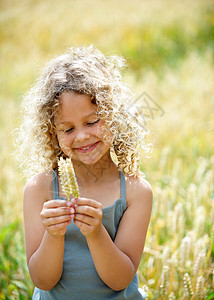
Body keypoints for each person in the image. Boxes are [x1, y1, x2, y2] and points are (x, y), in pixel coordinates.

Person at [18, 45, 152, 299]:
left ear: (114, 116)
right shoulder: (40, 189)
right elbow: (42, 281)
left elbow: (120, 279)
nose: (81, 136)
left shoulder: (136, 191)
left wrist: (95, 233)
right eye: (67, 129)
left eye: (92, 122)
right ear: (51, 134)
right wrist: (53, 235)